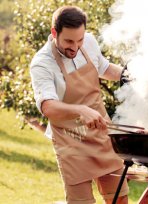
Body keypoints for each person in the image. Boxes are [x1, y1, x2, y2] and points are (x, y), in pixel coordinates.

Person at [30, 6, 128, 204]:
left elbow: (104, 68)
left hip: (102, 134)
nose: (75, 47)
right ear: (54, 33)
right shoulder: (42, 63)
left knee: (119, 198)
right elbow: (48, 107)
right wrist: (80, 110)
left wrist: (130, 75)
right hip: (71, 141)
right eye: (68, 41)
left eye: (79, 40)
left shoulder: (89, 41)